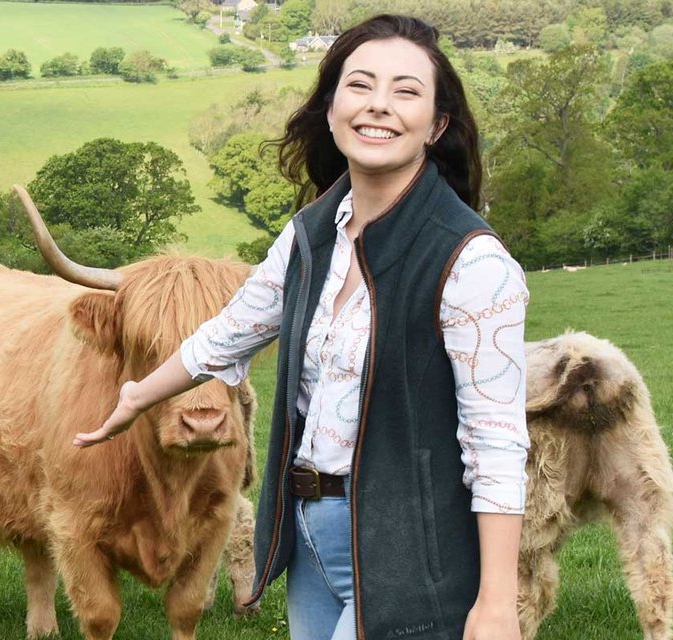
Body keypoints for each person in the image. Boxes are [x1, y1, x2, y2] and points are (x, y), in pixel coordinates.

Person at [74, 14, 528, 640]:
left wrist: (498, 603)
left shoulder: (470, 261)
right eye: (360, 85)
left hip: (408, 546)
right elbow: (227, 335)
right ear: (332, 106)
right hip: (310, 530)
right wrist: (136, 395)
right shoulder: (312, 236)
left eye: (406, 91)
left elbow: (496, 443)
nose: (379, 106)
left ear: (437, 125)